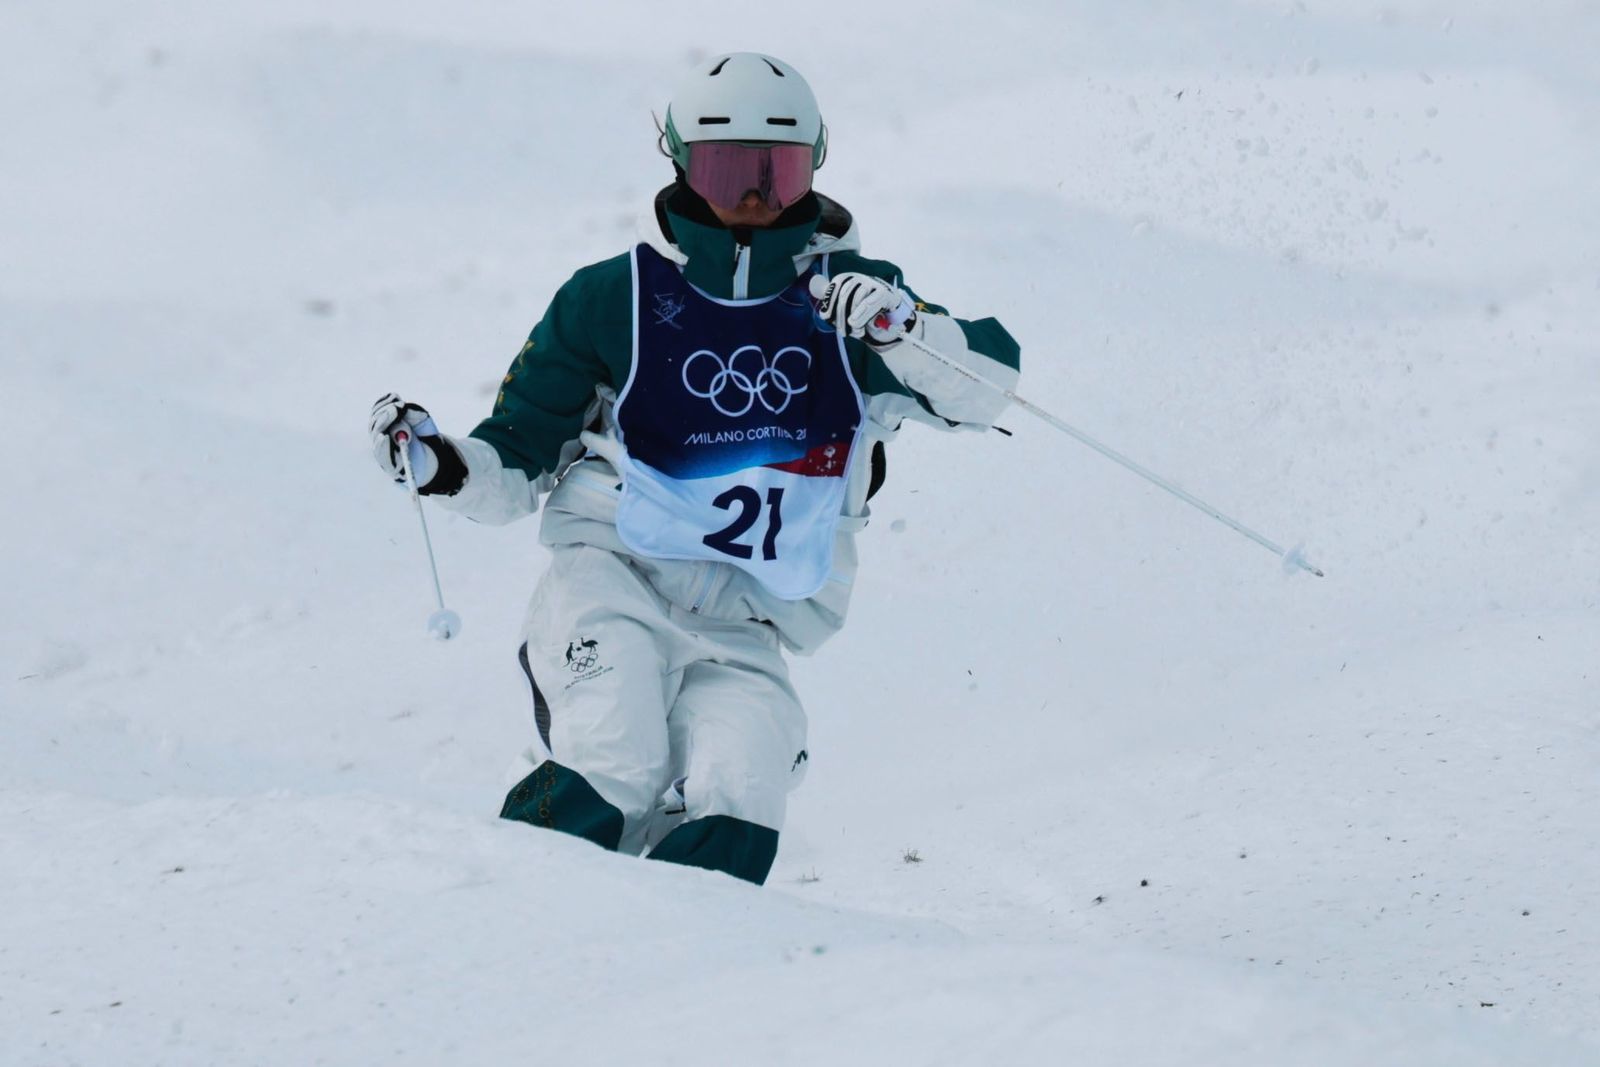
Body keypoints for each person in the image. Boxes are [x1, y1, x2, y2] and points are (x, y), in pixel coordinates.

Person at [368, 52, 1020, 885]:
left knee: (738, 802)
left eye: (775, 173)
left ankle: (678, 975)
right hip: (614, 575)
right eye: (726, 170)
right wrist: (442, 467)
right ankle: (513, 912)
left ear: (812, 167)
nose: (753, 197)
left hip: (747, 625)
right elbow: (519, 456)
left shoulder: (855, 303)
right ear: (680, 164)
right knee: (617, 759)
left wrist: (905, 333)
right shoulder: (615, 299)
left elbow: (987, 390)